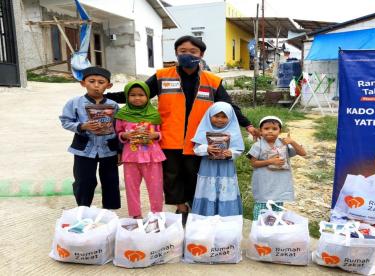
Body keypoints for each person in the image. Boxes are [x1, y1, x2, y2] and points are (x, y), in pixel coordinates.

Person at [106, 35, 259, 222]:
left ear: (201, 54)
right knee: (172, 176)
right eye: (182, 51)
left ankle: (197, 207)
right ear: (176, 53)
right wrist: (104, 96)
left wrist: (248, 124)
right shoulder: (163, 76)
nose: (187, 55)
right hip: (168, 137)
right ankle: (181, 208)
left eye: (193, 51)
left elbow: (229, 105)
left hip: (198, 139)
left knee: (195, 176)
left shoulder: (212, 81)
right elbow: (137, 93)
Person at [59, 67, 120, 209]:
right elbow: (65, 121)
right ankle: (83, 207)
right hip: (84, 149)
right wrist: (82, 126)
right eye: (91, 81)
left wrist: (120, 150)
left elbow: (119, 127)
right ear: (83, 83)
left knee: (110, 180)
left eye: (101, 82)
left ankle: (110, 210)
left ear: (108, 85)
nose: (96, 85)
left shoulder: (114, 105)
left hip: (108, 149)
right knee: (84, 180)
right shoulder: (74, 103)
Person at [114, 80, 166, 218]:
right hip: (131, 157)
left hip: (152, 157)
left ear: (148, 96)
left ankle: (157, 216)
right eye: (132, 95)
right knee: (131, 189)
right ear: (127, 96)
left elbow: (163, 133)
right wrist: (124, 135)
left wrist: (156, 135)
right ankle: (136, 216)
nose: (137, 98)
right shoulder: (122, 114)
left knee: (155, 188)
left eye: (141, 95)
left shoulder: (154, 114)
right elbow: (117, 133)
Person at [247, 116, 306, 220]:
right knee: (262, 211)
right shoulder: (258, 145)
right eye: (266, 128)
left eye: (274, 129)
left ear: (280, 131)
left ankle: (273, 231)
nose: (270, 131)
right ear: (260, 131)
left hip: (279, 185)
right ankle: (259, 231)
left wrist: (292, 142)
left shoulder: (284, 144)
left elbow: (303, 153)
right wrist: (270, 161)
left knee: (277, 212)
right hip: (264, 185)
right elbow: (253, 163)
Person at [190, 102, 244, 216]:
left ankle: (225, 217)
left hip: (226, 168)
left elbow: (239, 150)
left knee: (225, 188)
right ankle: (206, 216)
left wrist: (231, 153)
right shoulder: (204, 129)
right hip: (208, 167)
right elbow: (196, 149)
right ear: (209, 116)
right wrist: (206, 148)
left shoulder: (233, 130)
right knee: (208, 189)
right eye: (216, 116)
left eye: (224, 116)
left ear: (230, 117)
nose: (220, 119)